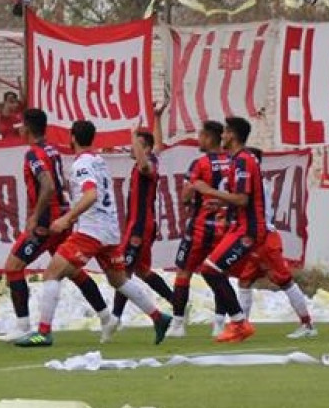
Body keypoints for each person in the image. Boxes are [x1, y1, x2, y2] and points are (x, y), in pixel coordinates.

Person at [15, 120, 170, 348]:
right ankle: (158, 316)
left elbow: (91, 195)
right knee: (118, 279)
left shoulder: (82, 165)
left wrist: (67, 218)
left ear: (73, 138)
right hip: (110, 229)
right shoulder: (99, 161)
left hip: (92, 230)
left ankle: (43, 333)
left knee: (51, 275)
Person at [0, 107, 111, 342]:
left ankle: (23, 326)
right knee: (72, 271)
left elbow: (48, 185)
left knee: (13, 266)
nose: (19, 131)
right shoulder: (53, 150)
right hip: (62, 215)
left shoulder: (34, 154)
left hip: (47, 222)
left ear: (27, 129)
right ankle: (105, 316)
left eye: (21, 127)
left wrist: (35, 217)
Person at [192, 116, 266, 343]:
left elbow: (243, 199)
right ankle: (237, 322)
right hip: (240, 226)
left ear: (232, 135)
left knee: (211, 269)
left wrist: (211, 192)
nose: (222, 136)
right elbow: (242, 199)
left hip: (248, 229)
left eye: (224, 132)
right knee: (215, 271)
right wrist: (223, 203)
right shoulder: (237, 160)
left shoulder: (243, 161)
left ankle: (239, 323)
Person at [101, 117, 176, 342]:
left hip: (139, 229)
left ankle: (114, 319)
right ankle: (178, 304)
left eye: (135, 145)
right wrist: (158, 118)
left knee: (122, 273)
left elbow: (147, 161)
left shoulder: (146, 165)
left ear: (144, 148)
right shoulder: (150, 158)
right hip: (139, 226)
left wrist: (135, 136)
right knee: (142, 271)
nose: (131, 149)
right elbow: (158, 146)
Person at [233, 147, 317, 339]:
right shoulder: (256, 181)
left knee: (285, 281)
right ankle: (242, 328)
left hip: (264, 238)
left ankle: (307, 325)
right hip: (252, 238)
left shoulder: (255, 183)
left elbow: (241, 202)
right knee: (244, 281)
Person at [166, 120, 232, 338]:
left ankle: (178, 325)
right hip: (225, 227)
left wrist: (191, 196)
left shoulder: (200, 164)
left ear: (210, 138)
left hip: (200, 228)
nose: (198, 140)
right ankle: (219, 324)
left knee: (183, 272)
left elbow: (186, 196)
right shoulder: (234, 162)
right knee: (219, 274)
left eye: (201, 135)